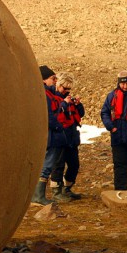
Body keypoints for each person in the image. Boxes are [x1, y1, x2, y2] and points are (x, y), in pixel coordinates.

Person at [31, 65, 68, 205]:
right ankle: (38, 196)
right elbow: (48, 116)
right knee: (46, 165)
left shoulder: (45, 93)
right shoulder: (44, 95)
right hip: (51, 136)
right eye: (53, 78)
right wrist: (58, 126)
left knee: (46, 164)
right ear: (44, 80)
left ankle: (37, 195)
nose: (55, 81)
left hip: (50, 135)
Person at [50, 72, 85, 201]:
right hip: (59, 138)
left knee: (74, 164)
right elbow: (54, 116)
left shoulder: (69, 99)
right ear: (58, 85)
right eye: (64, 88)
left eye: (68, 89)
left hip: (71, 138)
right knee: (58, 165)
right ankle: (56, 192)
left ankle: (67, 188)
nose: (66, 91)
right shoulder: (53, 98)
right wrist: (64, 104)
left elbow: (80, 114)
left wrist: (78, 105)